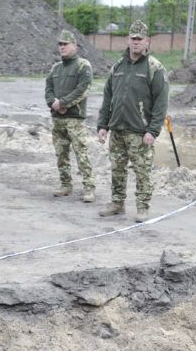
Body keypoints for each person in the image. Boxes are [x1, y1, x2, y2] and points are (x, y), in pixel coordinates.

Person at [97, 20, 169, 222]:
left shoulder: (155, 68)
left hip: (140, 133)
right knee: (117, 169)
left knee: (142, 171)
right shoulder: (118, 67)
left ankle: (142, 208)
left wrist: (152, 131)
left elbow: (161, 104)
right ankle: (117, 203)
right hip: (117, 130)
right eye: (133, 38)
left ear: (147, 41)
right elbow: (107, 98)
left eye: (140, 39)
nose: (136, 42)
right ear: (128, 40)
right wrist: (102, 125)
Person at [45, 30, 96, 203]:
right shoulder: (56, 68)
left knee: (81, 154)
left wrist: (63, 103)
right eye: (60, 44)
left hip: (75, 119)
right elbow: (48, 88)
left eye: (65, 44)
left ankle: (89, 188)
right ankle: (66, 185)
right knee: (61, 154)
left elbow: (83, 89)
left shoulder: (83, 65)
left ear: (74, 45)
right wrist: (52, 102)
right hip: (57, 119)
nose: (62, 47)